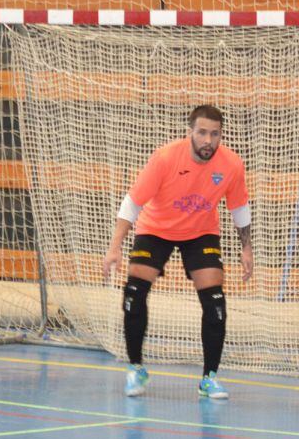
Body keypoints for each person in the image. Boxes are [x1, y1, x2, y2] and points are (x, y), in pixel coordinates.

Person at [103, 104, 253, 400]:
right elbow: (132, 203)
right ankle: (136, 368)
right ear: (190, 133)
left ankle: (209, 378)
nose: (208, 140)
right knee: (134, 290)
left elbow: (239, 207)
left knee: (215, 301)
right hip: (155, 229)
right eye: (202, 133)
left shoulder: (232, 164)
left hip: (200, 232)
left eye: (215, 134)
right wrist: (114, 247)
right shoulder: (166, 158)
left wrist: (246, 249)